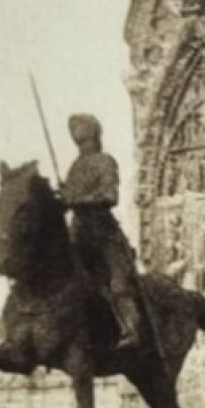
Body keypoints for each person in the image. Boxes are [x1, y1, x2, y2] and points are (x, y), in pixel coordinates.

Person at [59, 114, 142, 350]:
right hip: (78, 232)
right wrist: (62, 197)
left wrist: (76, 199)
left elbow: (109, 196)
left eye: (81, 130)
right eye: (74, 131)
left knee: (117, 282)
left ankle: (130, 327)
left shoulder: (105, 161)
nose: (77, 135)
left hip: (102, 231)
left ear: (93, 133)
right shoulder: (75, 167)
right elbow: (68, 200)